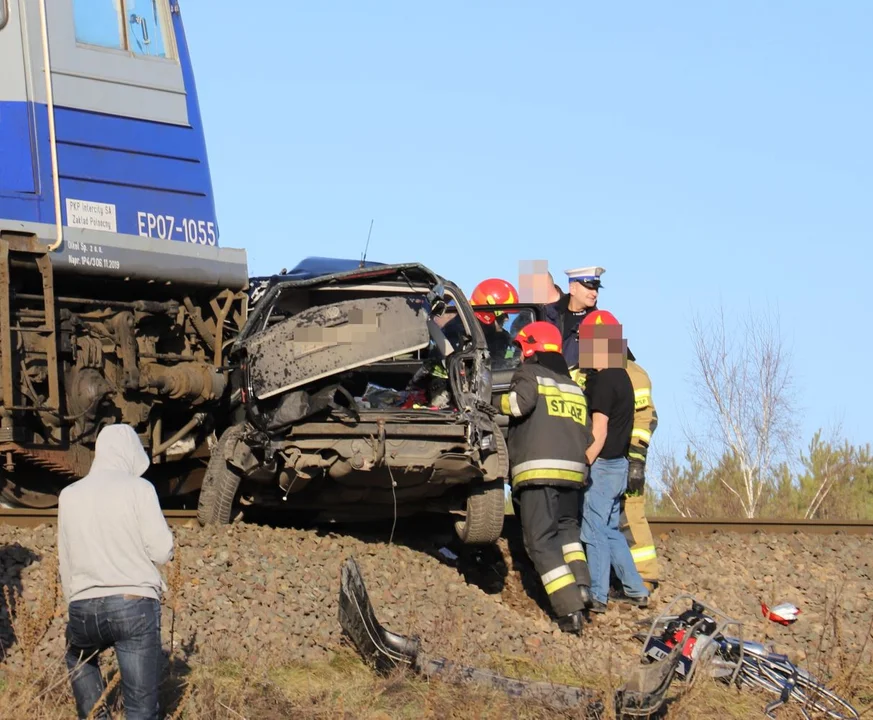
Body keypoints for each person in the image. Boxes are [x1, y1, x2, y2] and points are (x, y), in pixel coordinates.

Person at [59, 424, 174, 720]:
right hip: (133, 603)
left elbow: (66, 561)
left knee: (77, 655)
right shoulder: (140, 488)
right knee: (140, 709)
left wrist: (74, 603)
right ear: (130, 454)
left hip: (82, 607)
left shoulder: (69, 494)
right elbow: (162, 551)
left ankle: (96, 716)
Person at [494, 321, 593, 635]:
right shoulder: (574, 386)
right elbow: (588, 433)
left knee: (540, 542)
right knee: (568, 536)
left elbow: (518, 405)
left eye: (522, 348)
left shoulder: (529, 374)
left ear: (531, 347)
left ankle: (569, 610)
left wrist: (493, 402)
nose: (520, 354)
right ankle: (582, 588)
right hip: (573, 476)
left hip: (539, 472)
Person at [576, 310, 649, 613]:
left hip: (603, 466)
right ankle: (637, 589)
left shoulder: (603, 382)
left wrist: (583, 462)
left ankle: (598, 595)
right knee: (610, 530)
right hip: (619, 465)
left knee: (592, 531)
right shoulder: (623, 378)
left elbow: (600, 431)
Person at [620, 348, 661, 590]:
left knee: (631, 512)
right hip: (598, 457)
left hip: (626, 456)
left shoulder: (634, 374)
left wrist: (636, 461)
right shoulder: (581, 370)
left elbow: (646, 419)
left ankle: (645, 577)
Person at [551, 266, 605, 367]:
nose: (595, 293)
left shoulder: (603, 323)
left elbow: (615, 368)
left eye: (596, 289)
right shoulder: (547, 314)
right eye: (589, 287)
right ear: (572, 289)